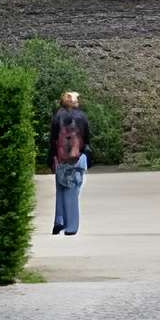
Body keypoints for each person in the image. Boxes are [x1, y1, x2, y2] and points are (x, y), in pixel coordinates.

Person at [48, 91, 92, 236]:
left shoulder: (57, 116)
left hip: (59, 158)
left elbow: (53, 139)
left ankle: (59, 220)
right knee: (72, 190)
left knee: (61, 188)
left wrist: (52, 157)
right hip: (75, 157)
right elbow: (86, 137)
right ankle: (71, 226)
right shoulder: (81, 117)